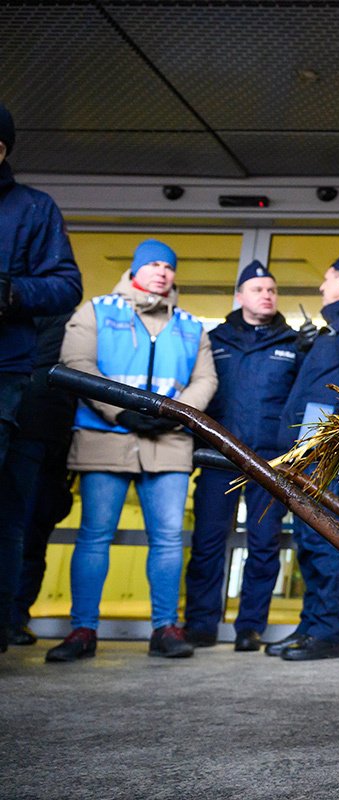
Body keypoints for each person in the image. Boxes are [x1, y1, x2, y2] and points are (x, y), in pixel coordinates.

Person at [46, 240, 217, 662]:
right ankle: (83, 629)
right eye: (153, 264)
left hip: (169, 442)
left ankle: (165, 629)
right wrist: (121, 413)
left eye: (168, 265)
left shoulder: (191, 325)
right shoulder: (98, 310)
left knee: (168, 540)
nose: (161, 271)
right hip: (106, 436)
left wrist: (174, 414)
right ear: (136, 269)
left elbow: (205, 380)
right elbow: (76, 364)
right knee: (94, 537)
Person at [182, 261, 301, 652]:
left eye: (271, 289)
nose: (266, 294)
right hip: (218, 457)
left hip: (270, 460)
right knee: (208, 542)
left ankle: (250, 627)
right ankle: (200, 624)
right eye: (257, 289)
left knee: (264, 545)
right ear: (239, 297)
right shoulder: (212, 340)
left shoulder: (294, 343)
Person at [0, 103, 82, 651]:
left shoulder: (33, 209)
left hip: (6, 379)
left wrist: (11, 292)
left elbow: (64, 284)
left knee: (11, 514)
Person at [267, 256, 339, 661]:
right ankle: (311, 625)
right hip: (306, 452)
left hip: (323, 454)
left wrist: (326, 446)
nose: (321, 287)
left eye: (326, 279)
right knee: (309, 542)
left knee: (326, 542)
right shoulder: (334, 328)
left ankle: (328, 632)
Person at [4, 313, 75, 647]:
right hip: (28, 432)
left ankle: (13, 617)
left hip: (39, 438)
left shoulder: (61, 321)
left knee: (27, 532)